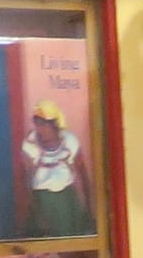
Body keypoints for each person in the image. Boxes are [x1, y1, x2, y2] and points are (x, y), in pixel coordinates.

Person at [21, 99, 94, 238]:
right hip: (43, 201)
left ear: (54, 125)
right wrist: (38, 215)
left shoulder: (69, 141)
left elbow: (83, 175)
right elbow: (26, 183)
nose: (39, 129)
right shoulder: (30, 145)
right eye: (37, 123)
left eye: (44, 124)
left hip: (67, 199)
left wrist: (89, 209)